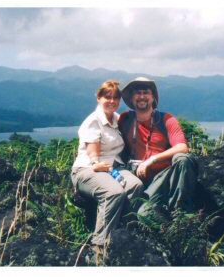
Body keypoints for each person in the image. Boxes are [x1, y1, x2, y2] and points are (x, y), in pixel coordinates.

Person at [70, 80, 144, 251]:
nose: (112, 101)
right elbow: (93, 154)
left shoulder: (117, 119)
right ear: (98, 98)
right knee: (113, 192)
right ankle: (99, 244)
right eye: (107, 97)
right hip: (89, 169)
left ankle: (121, 233)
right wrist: (97, 163)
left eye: (115, 98)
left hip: (113, 167)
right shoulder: (94, 121)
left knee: (135, 186)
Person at [118, 77, 198, 216]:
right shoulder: (125, 119)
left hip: (165, 177)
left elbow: (182, 147)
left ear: (153, 97)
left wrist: (152, 159)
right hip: (139, 179)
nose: (142, 96)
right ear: (131, 98)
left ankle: (181, 212)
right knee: (144, 214)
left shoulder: (166, 119)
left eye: (146, 92)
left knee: (182, 159)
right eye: (137, 93)